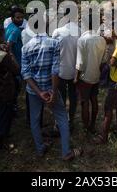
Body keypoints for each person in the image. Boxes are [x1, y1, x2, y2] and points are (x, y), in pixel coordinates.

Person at [21, 16, 82, 161]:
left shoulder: (26, 48)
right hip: (50, 88)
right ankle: (66, 152)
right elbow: (55, 71)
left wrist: (39, 92)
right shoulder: (53, 43)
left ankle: (40, 148)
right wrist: (53, 92)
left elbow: (25, 73)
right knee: (61, 117)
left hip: (34, 91)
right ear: (46, 26)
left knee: (35, 120)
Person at [75, 13, 107, 135]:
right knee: (93, 100)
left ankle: (86, 127)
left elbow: (79, 63)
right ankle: (92, 125)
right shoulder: (102, 40)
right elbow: (104, 61)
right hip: (96, 76)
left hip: (85, 77)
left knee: (84, 102)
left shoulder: (82, 40)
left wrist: (76, 78)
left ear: (84, 24)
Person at [52, 11, 80, 131]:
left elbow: (53, 50)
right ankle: (71, 121)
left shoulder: (57, 31)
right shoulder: (80, 31)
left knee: (61, 97)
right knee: (73, 97)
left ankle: (59, 122)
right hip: (75, 71)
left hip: (61, 70)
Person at [5, 6, 25, 115]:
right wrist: (14, 63)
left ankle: (12, 106)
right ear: (12, 18)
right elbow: (9, 45)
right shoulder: (16, 30)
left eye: (22, 17)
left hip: (13, 62)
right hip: (16, 62)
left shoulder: (9, 27)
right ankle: (13, 108)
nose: (20, 19)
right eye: (17, 18)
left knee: (14, 86)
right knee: (16, 86)